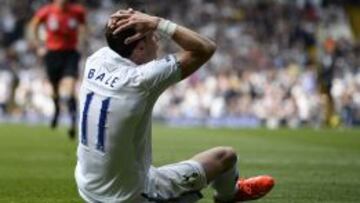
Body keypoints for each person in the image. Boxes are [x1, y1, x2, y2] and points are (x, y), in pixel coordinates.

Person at [75, 8, 275, 203]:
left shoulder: (95, 60)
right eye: (152, 36)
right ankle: (230, 195)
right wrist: (159, 23)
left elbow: (115, 38)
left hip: (87, 186)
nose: (158, 40)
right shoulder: (141, 80)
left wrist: (121, 22)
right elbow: (205, 48)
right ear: (140, 47)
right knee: (226, 157)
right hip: (129, 195)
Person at [29, 0, 87, 138]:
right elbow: (33, 25)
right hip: (52, 54)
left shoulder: (77, 11)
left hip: (70, 54)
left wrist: (81, 42)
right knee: (54, 89)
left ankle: (73, 121)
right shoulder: (47, 11)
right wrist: (38, 46)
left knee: (70, 86)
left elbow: (83, 27)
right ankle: (56, 110)